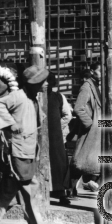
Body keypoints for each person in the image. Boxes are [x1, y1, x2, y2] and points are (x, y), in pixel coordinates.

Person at [0, 65, 52, 224]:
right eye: (42, 81)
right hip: (18, 149)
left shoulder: (33, 98)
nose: (46, 84)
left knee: (10, 187)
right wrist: (10, 124)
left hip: (28, 149)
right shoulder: (18, 96)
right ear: (34, 83)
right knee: (29, 187)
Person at [72, 59, 101, 193]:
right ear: (92, 71)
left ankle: (88, 183)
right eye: (99, 70)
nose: (102, 73)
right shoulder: (87, 86)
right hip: (91, 129)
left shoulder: (98, 85)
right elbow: (78, 108)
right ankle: (70, 187)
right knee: (80, 160)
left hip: (98, 129)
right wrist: (89, 124)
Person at [46, 72, 73, 204]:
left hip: (55, 136)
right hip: (47, 135)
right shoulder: (35, 97)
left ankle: (61, 193)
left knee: (58, 164)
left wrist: (57, 126)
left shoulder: (58, 97)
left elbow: (66, 115)